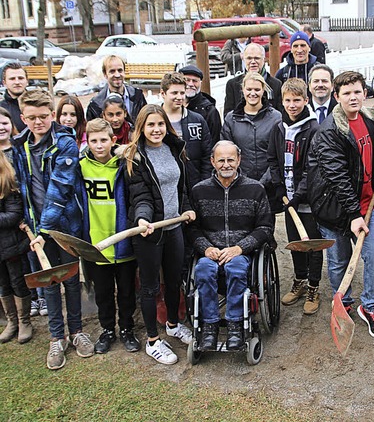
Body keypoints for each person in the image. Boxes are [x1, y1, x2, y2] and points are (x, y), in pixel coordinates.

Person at [12, 89, 93, 370]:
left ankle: (77, 331)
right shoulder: (18, 145)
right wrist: (28, 224)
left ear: (52, 115)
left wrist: (46, 230)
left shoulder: (66, 143)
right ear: (22, 117)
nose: (38, 123)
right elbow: (21, 187)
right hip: (36, 230)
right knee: (48, 282)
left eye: (44, 117)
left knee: (70, 278)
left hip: (64, 226)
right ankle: (56, 338)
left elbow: (60, 188)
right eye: (32, 118)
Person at [307, 71, 374, 340]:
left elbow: (370, 158)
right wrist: (353, 214)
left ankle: (371, 306)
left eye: (357, 91)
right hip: (335, 209)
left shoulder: (369, 120)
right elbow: (337, 176)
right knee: (339, 261)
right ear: (336, 97)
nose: (353, 97)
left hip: (367, 205)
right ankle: (345, 300)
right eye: (346, 93)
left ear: (365, 93)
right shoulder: (329, 131)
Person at [122, 106, 196, 365]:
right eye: (151, 125)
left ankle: (173, 324)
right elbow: (140, 194)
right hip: (149, 233)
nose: (156, 130)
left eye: (160, 124)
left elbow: (180, 187)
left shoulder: (174, 149)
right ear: (141, 128)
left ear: (167, 126)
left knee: (175, 280)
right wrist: (143, 218)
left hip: (174, 227)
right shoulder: (135, 157)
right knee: (151, 287)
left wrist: (186, 209)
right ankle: (153, 340)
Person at [189, 141, 273, 350]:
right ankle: (209, 326)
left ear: (239, 160)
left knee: (236, 269)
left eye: (230, 160)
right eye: (221, 160)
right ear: (212, 162)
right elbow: (192, 229)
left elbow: (265, 228)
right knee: (203, 270)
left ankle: (236, 324)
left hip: (241, 252)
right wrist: (206, 248)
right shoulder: (199, 191)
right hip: (211, 252)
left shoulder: (255, 189)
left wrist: (240, 248)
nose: (226, 165)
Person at [79, 118, 140, 355]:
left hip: (122, 240)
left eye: (104, 140)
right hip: (96, 243)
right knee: (103, 292)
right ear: (87, 142)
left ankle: (127, 329)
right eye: (93, 141)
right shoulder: (81, 166)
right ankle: (107, 330)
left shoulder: (123, 165)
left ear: (113, 140)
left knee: (126, 291)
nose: (99, 145)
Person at [267, 78, 322, 314]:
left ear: (306, 101)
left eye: (297, 100)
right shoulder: (279, 129)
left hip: (307, 201)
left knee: (312, 244)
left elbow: (312, 167)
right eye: (288, 100)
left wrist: (299, 195)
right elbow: (272, 159)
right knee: (296, 244)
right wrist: (280, 188)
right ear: (282, 102)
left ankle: (313, 286)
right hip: (288, 199)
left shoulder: (313, 129)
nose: (292, 105)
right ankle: (299, 280)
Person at [0, 106, 46, 317]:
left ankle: (35, 303)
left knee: (24, 267)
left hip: (21, 220)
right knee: (6, 278)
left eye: (4, 122)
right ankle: (13, 318)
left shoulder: (18, 150)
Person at [222, 72, 282, 210]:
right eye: (249, 89)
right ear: (243, 90)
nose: (253, 93)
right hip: (239, 184)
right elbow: (227, 152)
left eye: (257, 89)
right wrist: (241, 179)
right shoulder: (231, 119)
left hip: (268, 186)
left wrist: (265, 181)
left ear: (263, 90)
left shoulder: (276, 118)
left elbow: (279, 153)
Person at [159, 72, 213, 192]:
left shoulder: (197, 120)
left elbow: (207, 154)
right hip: (165, 186)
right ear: (163, 93)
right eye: (174, 93)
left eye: (182, 93)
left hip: (194, 184)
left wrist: (203, 183)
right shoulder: (155, 120)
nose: (179, 97)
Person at [0, 150, 33, 345]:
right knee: (3, 284)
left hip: (11, 244)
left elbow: (13, 216)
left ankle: (24, 321)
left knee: (17, 281)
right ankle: (11, 322)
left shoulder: (8, 185)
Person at [224, 43, 283, 116]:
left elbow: (280, 115)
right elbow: (228, 115)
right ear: (243, 59)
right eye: (249, 58)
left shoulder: (276, 85)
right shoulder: (232, 85)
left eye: (257, 58)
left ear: (264, 60)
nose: (253, 62)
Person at [86, 55, 147, 122]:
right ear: (105, 74)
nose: (117, 75)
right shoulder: (96, 104)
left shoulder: (138, 97)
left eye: (120, 70)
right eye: (112, 71)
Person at [178, 65, 222, 145]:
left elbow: (215, 141)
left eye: (195, 81)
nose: (191, 84)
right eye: (187, 80)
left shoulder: (209, 110)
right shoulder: (171, 106)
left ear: (200, 83)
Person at [0, 62, 28, 132]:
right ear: (4, 83)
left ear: (27, 81)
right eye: (12, 79)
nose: (17, 82)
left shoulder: (38, 104)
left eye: (20, 78)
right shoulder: (1, 108)